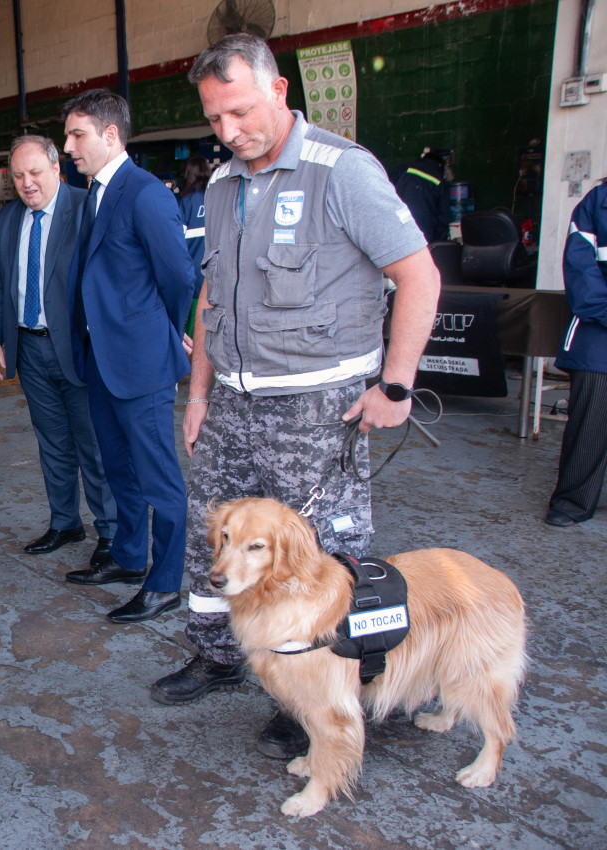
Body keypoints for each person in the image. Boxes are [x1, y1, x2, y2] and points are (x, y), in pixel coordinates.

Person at [157, 34, 440, 761]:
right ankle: (219, 654)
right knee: (214, 539)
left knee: (319, 559)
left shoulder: (342, 172)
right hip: (233, 406)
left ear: (281, 91)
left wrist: (396, 384)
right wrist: (197, 397)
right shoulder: (222, 186)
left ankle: (310, 685)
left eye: (240, 113)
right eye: (215, 119)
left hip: (318, 408)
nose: (227, 133)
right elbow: (211, 295)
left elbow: (419, 275)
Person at [61, 90, 198, 621]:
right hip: (101, 358)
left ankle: (164, 584)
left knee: (159, 476)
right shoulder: (95, 192)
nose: (68, 145)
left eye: (77, 135)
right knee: (118, 467)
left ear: (110, 135)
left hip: (140, 362)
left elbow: (180, 276)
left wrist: (167, 330)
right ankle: (128, 557)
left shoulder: (144, 194)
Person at [0, 134, 118, 567]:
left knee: (92, 444)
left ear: (57, 168)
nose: (27, 183)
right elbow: (0, 284)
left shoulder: (86, 209)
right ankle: (65, 522)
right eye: (18, 176)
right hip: (29, 348)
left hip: (79, 350)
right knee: (52, 443)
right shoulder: (8, 219)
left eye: (35, 172)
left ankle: (111, 533)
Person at [546, 178, 607, 528]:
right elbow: (582, 272)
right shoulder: (598, 202)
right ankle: (572, 502)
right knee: (591, 421)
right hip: (599, 328)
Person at [393, 146, 453, 244]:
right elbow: (443, 218)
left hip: (397, 232)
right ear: (441, 164)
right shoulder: (439, 181)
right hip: (423, 237)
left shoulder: (403, 169)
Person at [177, 156, 211, 272]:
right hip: (217, 268)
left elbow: (177, 239)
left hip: (194, 268)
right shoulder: (217, 195)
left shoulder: (187, 200)